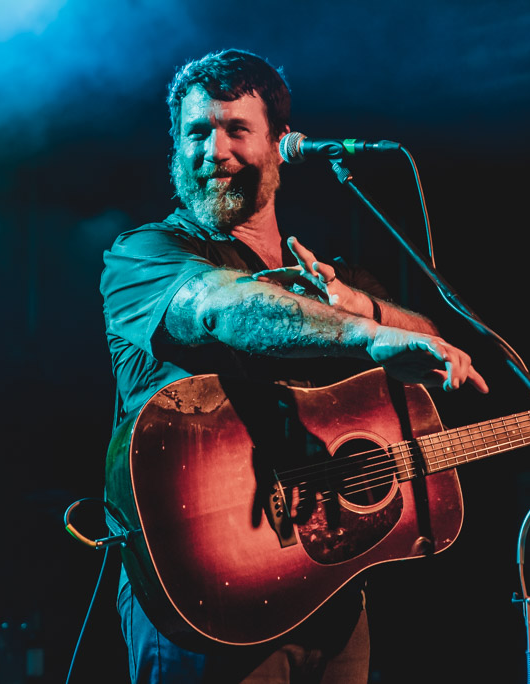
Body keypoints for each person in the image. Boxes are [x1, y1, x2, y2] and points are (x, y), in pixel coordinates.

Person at [100, 48, 489, 684]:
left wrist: (351, 303)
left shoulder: (332, 287)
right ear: (175, 144)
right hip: (204, 592)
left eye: (236, 130)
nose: (215, 150)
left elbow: (428, 339)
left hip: (330, 591)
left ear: (282, 145)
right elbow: (222, 307)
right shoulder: (148, 253)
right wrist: (362, 335)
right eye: (197, 131)